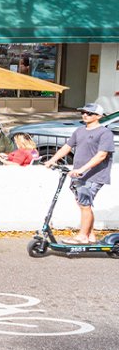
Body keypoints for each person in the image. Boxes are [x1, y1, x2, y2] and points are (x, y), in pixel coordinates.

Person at [46, 103, 115, 244]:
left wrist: (81, 170)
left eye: (89, 113)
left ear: (99, 116)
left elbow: (101, 155)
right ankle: (90, 235)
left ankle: (82, 236)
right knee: (84, 205)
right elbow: (66, 147)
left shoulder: (104, 133)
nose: (85, 115)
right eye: (83, 112)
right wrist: (52, 160)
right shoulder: (80, 131)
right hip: (78, 175)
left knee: (85, 205)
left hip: (94, 175)